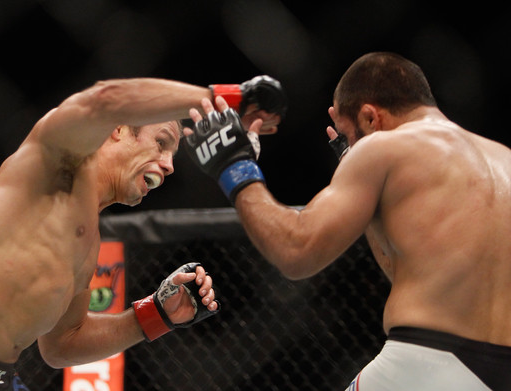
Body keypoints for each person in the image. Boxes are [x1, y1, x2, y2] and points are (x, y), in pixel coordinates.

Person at [0, 75, 286, 390]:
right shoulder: (56, 162)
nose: (170, 166)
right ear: (119, 129)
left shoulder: (89, 242)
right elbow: (106, 98)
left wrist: (157, 313)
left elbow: (62, 345)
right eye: (161, 143)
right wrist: (228, 99)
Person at [184, 52, 511, 390]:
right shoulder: (504, 159)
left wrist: (233, 165)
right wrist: (373, 201)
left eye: (348, 135)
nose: (349, 149)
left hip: (425, 363)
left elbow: (296, 251)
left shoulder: (385, 146)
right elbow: (407, 271)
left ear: (371, 117)